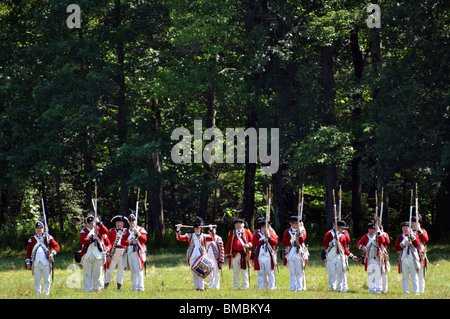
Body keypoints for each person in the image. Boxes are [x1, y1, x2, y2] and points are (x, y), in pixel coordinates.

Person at [176, 217, 216, 290]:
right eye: (196, 228)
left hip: (201, 256)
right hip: (192, 256)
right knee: (194, 272)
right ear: (194, 229)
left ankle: (201, 288)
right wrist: (178, 229)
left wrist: (211, 229)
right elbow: (180, 238)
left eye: (198, 228)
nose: (197, 229)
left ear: (201, 229)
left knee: (201, 272)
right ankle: (196, 287)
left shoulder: (204, 236)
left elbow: (213, 238)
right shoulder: (190, 236)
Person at [322, 220, 359, 292]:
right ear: (337, 227)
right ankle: (331, 288)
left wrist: (352, 256)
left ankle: (340, 288)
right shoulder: (329, 233)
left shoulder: (343, 236)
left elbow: (344, 248)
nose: (343, 230)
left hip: (340, 256)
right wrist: (333, 243)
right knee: (331, 273)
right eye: (342, 228)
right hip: (331, 256)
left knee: (341, 273)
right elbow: (324, 243)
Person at [25, 221, 60, 295]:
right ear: (35, 229)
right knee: (37, 280)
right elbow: (28, 252)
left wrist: (52, 254)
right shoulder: (32, 239)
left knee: (47, 279)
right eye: (37, 228)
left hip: (46, 262)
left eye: (41, 228)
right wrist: (28, 263)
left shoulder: (48, 237)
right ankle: (38, 294)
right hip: (36, 263)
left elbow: (56, 246)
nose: (39, 229)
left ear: (43, 229)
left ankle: (46, 294)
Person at [79, 214, 110, 292]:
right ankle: (87, 289)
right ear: (87, 223)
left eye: (92, 223)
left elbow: (106, 231)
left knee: (98, 273)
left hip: (98, 254)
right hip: (87, 254)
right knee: (87, 273)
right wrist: (91, 239)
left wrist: (99, 222)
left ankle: (98, 288)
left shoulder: (99, 229)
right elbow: (83, 240)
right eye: (89, 223)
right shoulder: (84, 231)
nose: (91, 224)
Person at [357, 221, 386, 294]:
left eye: (371, 229)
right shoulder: (366, 236)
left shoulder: (378, 235)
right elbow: (358, 244)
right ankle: (372, 289)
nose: (369, 231)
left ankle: (379, 289)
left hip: (377, 258)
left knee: (378, 274)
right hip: (369, 258)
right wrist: (362, 247)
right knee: (371, 275)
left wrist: (379, 232)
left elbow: (383, 241)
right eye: (368, 229)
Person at [122, 213, 148, 291]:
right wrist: (130, 242)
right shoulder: (126, 231)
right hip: (130, 252)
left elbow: (144, 240)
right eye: (130, 221)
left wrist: (138, 233)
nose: (132, 222)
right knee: (133, 270)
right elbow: (123, 242)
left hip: (138, 252)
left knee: (139, 269)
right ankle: (134, 287)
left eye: (133, 220)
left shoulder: (140, 229)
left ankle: (140, 287)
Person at [225, 218, 253, 288]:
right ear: (235, 225)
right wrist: (227, 255)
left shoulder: (247, 232)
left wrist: (248, 245)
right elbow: (228, 244)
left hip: (244, 254)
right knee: (235, 271)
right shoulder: (231, 233)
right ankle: (236, 285)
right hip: (234, 254)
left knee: (244, 270)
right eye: (237, 224)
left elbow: (253, 241)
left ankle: (245, 285)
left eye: (240, 223)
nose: (238, 225)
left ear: (243, 225)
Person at [252, 218, 278, 290]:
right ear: (261, 227)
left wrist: (269, 238)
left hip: (268, 255)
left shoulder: (271, 233)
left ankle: (272, 287)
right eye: (264, 226)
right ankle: (260, 287)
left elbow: (275, 242)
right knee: (260, 272)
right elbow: (254, 243)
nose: (266, 228)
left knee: (270, 272)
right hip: (260, 255)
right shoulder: (257, 233)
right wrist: (262, 241)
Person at [395, 221, 421, 295]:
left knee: (414, 276)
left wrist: (412, 238)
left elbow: (417, 245)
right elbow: (396, 248)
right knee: (405, 277)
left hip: (412, 258)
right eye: (404, 228)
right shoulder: (400, 237)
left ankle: (416, 291)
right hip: (404, 259)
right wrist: (402, 244)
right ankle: (405, 291)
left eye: (407, 228)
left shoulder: (414, 236)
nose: (405, 229)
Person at [282, 216, 307, 291]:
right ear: (291, 223)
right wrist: (292, 242)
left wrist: (300, 235)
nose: (297, 225)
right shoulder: (287, 231)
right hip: (290, 253)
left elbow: (302, 240)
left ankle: (300, 288)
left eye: (298, 223)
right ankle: (292, 288)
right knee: (292, 272)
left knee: (299, 272)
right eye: (296, 223)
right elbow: (284, 242)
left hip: (299, 253)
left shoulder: (302, 231)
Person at [105, 215, 128, 290]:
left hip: (123, 253)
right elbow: (108, 243)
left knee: (121, 271)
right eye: (118, 222)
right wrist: (108, 254)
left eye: (121, 222)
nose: (119, 224)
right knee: (110, 270)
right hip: (113, 253)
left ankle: (119, 287)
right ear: (115, 223)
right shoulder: (111, 231)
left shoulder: (126, 231)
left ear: (123, 223)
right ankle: (105, 286)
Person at [411, 215, 428, 293]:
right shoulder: (410, 232)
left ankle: (421, 289)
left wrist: (419, 231)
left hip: (420, 253)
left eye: (414, 222)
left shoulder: (422, 231)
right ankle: (415, 289)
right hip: (412, 253)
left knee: (421, 273)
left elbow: (425, 239)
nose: (412, 224)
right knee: (414, 273)